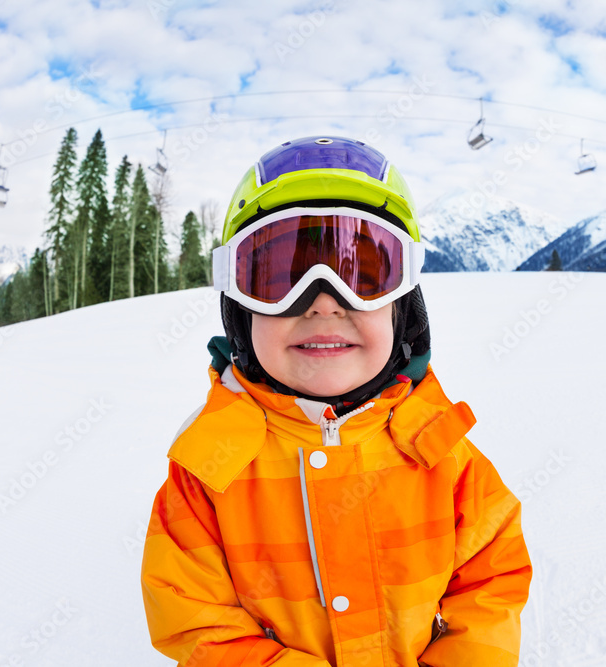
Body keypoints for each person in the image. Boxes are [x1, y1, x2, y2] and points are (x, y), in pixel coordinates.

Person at [141, 136, 532, 666]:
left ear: (403, 309)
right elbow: (194, 619)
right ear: (239, 309)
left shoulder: (441, 450)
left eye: (363, 275)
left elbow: (492, 581)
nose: (324, 302)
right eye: (278, 277)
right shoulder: (207, 471)